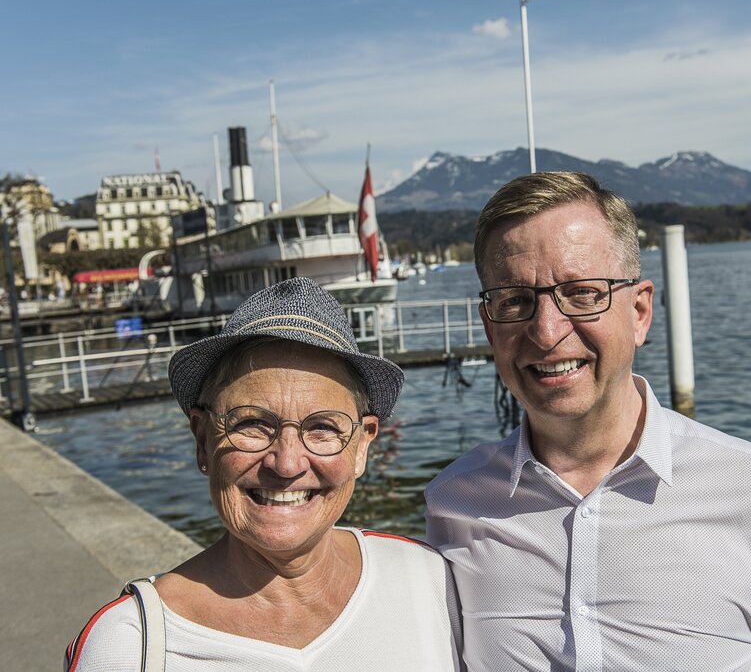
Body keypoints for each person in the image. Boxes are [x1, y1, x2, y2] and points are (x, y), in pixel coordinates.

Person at [425, 172, 751, 671]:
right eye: (515, 301)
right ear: (489, 325)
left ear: (641, 311)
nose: (545, 331)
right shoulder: (454, 505)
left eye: (582, 293)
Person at [66, 277, 462, 671]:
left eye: (322, 427)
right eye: (251, 424)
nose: (287, 464)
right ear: (202, 440)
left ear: (361, 446)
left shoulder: (427, 581)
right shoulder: (129, 647)